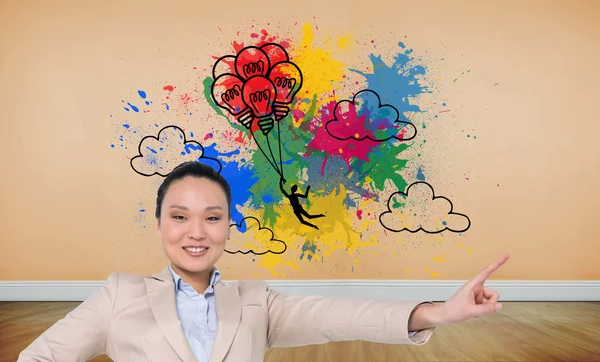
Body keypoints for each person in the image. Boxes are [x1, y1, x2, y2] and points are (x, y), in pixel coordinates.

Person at [19, 161, 510, 361]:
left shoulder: (255, 302)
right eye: (180, 216)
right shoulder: (119, 294)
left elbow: (335, 315)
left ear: (228, 226)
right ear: (159, 225)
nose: (196, 232)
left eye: (212, 217)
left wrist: (439, 313)